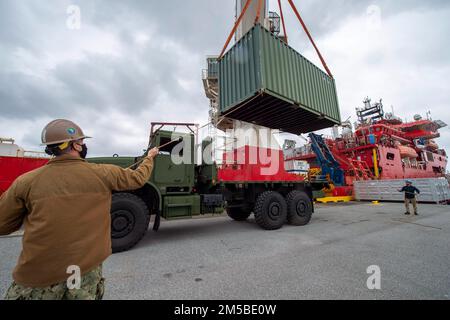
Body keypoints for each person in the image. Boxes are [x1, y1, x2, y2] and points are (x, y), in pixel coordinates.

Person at [0, 119, 159, 300]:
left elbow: (3, 225)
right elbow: (138, 179)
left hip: (35, 282)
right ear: (75, 145)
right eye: (82, 142)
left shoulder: (25, 181)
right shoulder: (102, 173)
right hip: (83, 275)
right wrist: (150, 157)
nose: (83, 145)